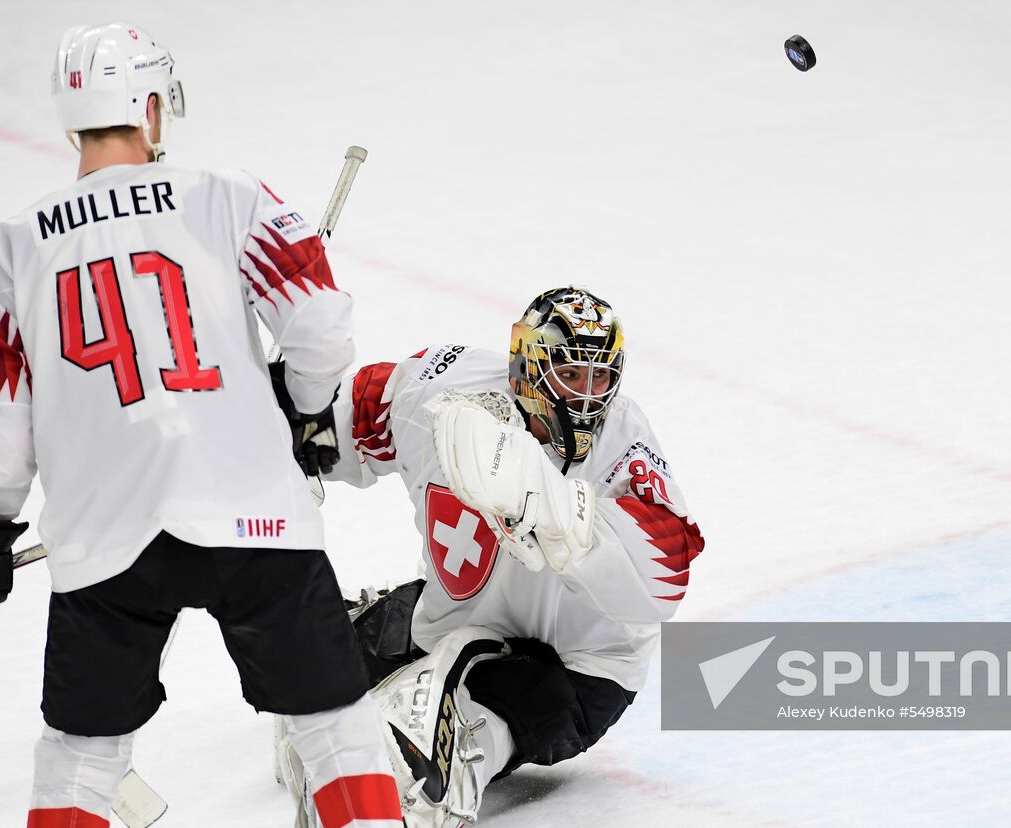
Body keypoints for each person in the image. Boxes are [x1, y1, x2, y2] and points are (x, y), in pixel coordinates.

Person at [0, 23, 402, 828]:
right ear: (151, 108)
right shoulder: (228, 195)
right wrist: (302, 404)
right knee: (334, 729)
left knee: (80, 754)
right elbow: (320, 327)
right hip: (256, 517)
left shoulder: (4, 251)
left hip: (105, 540)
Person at [274, 286, 705, 826]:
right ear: (527, 363)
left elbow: (665, 578)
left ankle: (440, 769)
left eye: (601, 377)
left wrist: (558, 509)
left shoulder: (624, 440)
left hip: (578, 666)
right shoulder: (438, 387)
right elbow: (343, 422)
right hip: (452, 623)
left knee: (457, 733)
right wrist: (278, 416)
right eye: (570, 375)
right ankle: (372, 633)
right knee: (308, 676)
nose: (588, 397)